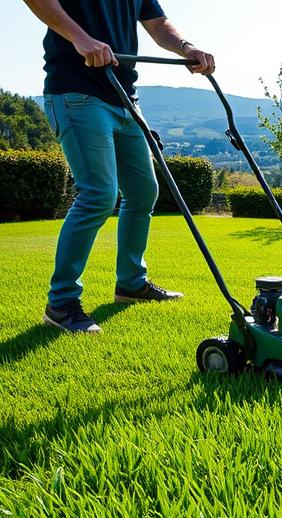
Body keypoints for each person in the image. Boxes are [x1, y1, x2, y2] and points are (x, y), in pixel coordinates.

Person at [23, 0, 216, 333]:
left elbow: (157, 24)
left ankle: (131, 284)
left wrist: (186, 47)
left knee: (143, 192)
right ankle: (61, 303)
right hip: (76, 91)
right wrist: (78, 37)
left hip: (124, 96)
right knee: (98, 194)